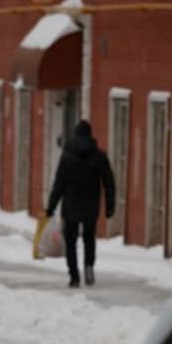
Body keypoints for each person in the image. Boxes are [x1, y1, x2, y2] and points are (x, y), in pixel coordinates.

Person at [46, 120, 115, 288]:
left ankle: (74, 274)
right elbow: (109, 183)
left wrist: (51, 206)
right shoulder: (99, 156)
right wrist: (110, 206)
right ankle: (89, 266)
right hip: (91, 204)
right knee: (89, 238)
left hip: (70, 205)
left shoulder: (67, 156)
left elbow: (59, 183)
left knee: (70, 241)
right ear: (90, 135)